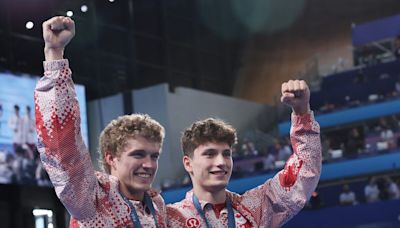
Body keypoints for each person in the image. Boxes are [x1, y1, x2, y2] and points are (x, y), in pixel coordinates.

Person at [35, 16, 167, 227]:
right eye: (138, 155)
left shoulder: (158, 207)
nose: (149, 165)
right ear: (111, 158)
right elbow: (62, 146)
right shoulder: (91, 198)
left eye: (154, 156)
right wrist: (54, 54)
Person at [167, 80, 322, 227]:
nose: (221, 162)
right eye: (210, 154)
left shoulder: (255, 208)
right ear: (188, 163)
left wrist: (302, 112)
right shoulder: (170, 219)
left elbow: (304, 171)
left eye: (226, 154)